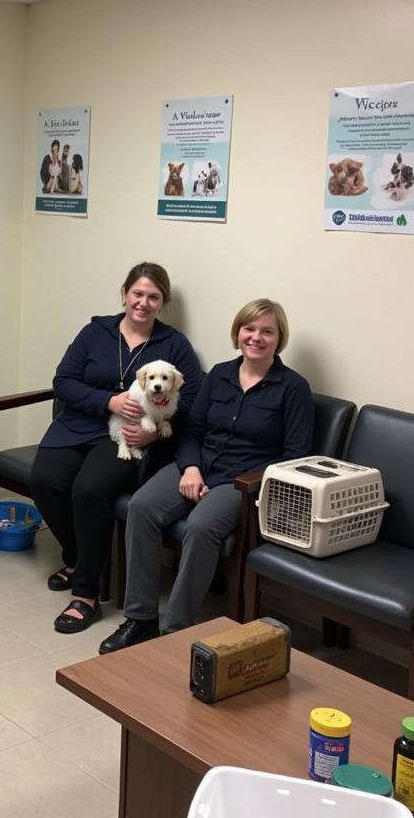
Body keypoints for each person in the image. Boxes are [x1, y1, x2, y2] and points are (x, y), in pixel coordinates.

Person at [100, 298, 313, 654]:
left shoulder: (292, 388)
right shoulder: (219, 375)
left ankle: (176, 629)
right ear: (237, 333)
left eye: (267, 331)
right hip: (199, 464)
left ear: (279, 338)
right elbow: (193, 430)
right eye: (249, 329)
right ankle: (141, 619)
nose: (256, 337)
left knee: (200, 526)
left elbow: (295, 456)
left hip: (244, 483)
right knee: (141, 507)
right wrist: (193, 468)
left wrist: (231, 484)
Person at [29, 263, 201, 635]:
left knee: (89, 489)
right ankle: (78, 556)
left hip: (132, 436)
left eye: (153, 297)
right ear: (124, 294)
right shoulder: (96, 332)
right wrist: (109, 402)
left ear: (163, 302)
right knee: (44, 480)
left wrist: (155, 434)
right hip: (79, 424)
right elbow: (63, 382)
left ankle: (86, 593)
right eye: (137, 294)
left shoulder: (174, 346)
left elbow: (193, 402)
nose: (143, 303)